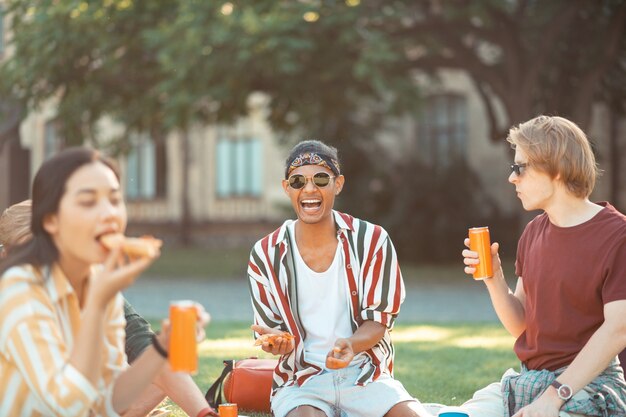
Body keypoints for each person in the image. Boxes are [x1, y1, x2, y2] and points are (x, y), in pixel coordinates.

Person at [0, 147, 211, 417]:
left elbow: (111, 400)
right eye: (88, 202)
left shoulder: (98, 283)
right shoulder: (19, 292)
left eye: (114, 199)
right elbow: (66, 404)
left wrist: (162, 348)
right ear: (51, 222)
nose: (109, 214)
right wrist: (99, 303)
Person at [247, 140, 432, 417]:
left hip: (366, 375)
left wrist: (352, 344)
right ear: (287, 189)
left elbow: (378, 321)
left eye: (321, 179)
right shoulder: (265, 253)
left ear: (338, 184)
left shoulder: (372, 240)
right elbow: (270, 332)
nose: (309, 189)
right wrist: (277, 343)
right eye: (298, 181)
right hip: (301, 381)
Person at [460, 116, 626, 417]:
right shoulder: (534, 232)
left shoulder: (618, 236)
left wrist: (555, 396)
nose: (512, 178)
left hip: (590, 387)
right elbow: (522, 326)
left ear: (557, 169)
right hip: (531, 381)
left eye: (520, 168)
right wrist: (494, 278)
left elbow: (619, 328)